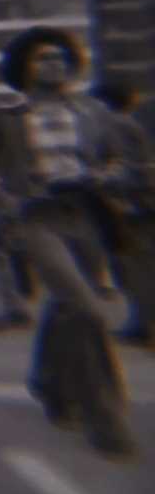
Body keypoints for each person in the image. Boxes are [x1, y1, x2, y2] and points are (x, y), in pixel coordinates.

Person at [0, 27, 138, 457]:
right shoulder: (5, 112)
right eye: (42, 58)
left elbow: (126, 163)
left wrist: (104, 177)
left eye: (59, 57)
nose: (53, 64)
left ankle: (46, 382)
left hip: (87, 215)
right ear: (24, 67)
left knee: (66, 307)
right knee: (89, 311)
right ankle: (106, 419)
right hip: (38, 219)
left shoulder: (92, 112)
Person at [89, 80, 155, 346]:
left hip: (129, 205)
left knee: (133, 266)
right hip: (138, 202)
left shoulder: (113, 125)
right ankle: (140, 322)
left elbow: (124, 167)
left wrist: (117, 198)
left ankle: (142, 325)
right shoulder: (129, 123)